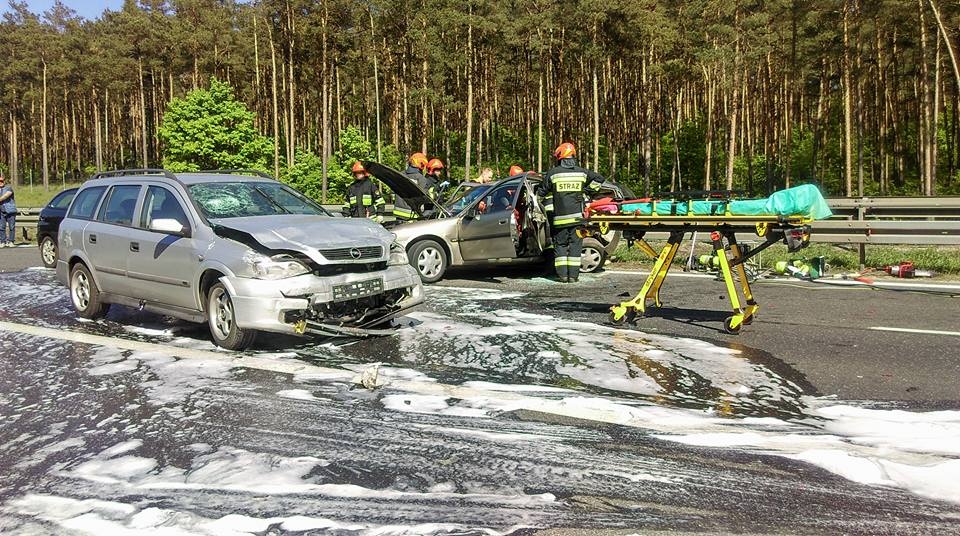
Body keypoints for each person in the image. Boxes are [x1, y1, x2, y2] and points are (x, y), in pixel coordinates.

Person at [541, 142, 604, 283]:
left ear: (559, 156)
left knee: (561, 247)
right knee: (576, 246)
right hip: (578, 219)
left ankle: (563, 276)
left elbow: (542, 191)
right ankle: (574, 277)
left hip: (560, 220)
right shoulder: (582, 172)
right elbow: (600, 179)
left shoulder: (553, 173)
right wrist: (588, 191)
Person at [393, 152, 430, 221]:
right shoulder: (421, 179)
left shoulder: (400, 175)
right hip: (412, 216)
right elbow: (425, 198)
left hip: (398, 215)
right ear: (421, 164)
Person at [0, 173, 16, 247]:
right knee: (1, 227)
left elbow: (5, 196)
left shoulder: (8, 188)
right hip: (1, 211)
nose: (0, 182)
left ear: (4, 181)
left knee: (11, 226)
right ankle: (3, 241)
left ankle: (11, 241)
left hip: (10, 211)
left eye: (1, 181)